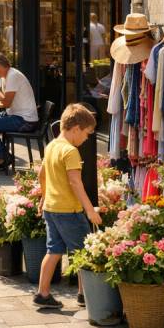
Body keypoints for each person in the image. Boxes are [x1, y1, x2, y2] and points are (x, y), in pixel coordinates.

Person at [34, 104, 101, 310]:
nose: (87, 139)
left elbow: (42, 174)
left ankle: (43, 293)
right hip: (69, 211)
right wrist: (90, 210)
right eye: (87, 134)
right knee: (82, 251)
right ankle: (84, 295)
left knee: (53, 250)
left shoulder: (52, 145)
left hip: (51, 209)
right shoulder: (71, 152)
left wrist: (43, 198)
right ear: (76, 128)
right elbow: (75, 183)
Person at [0, 52, 40, 171]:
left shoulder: (13, 76)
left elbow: (5, 102)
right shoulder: (4, 77)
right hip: (15, 115)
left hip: (25, 120)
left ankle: (3, 157)